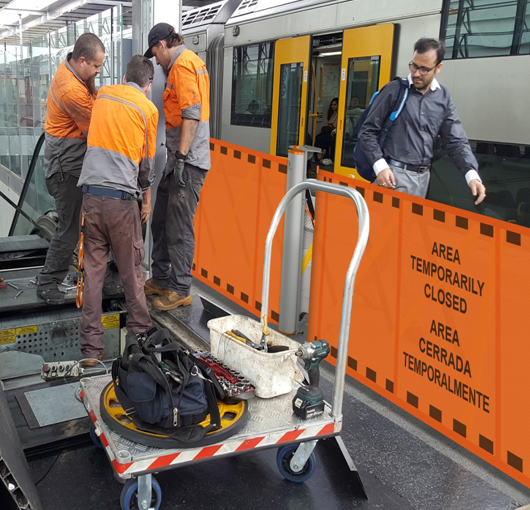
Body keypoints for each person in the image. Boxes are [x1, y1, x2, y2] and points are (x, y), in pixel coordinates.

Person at [77, 55, 158, 366]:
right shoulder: (147, 109)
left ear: (125, 77)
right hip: (121, 203)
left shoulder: (104, 96)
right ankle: (141, 340)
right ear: (147, 85)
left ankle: (91, 351)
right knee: (131, 274)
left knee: (93, 276)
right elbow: (145, 165)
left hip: (90, 199)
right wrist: (145, 200)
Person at [358, 38, 486, 204]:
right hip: (392, 174)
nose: (416, 73)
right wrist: (380, 166)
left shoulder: (443, 97)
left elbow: (456, 140)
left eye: (424, 69)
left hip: (423, 179)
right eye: (414, 66)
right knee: (383, 229)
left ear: (438, 67)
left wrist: (472, 176)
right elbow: (367, 131)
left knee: (408, 230)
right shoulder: (394, 90)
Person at [143, 23, 211, 310]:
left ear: (161, 45)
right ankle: (161, 278)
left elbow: (192, 115)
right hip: (176, 161)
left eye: (155, 56)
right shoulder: (184, 64)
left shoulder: (183, 65)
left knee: (179, 227)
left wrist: (182, 159)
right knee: (160, 220)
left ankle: (181, 289)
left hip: (188, 163)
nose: (156, 62)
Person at [36, 33, 105, 305]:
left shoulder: (75, 73)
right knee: (69, 229)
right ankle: (48, 282)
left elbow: (95, 99)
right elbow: (95, 128)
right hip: (66, 170)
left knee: (77, 226)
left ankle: (77, 274)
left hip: (71, 164)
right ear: (82, 60)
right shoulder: (71, 89)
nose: (99, 71)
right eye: (96, 67)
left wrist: (92, 80)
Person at [315, 97, 338, 165]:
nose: (333, 106)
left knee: (323, 138)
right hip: (328, 131)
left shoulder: (340, 114)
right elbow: (326, 123)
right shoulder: (330, 114)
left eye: (335, 105)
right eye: (332, 105)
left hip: (334, 132)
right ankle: (319, 154)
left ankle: (323, 153)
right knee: (317, 137)